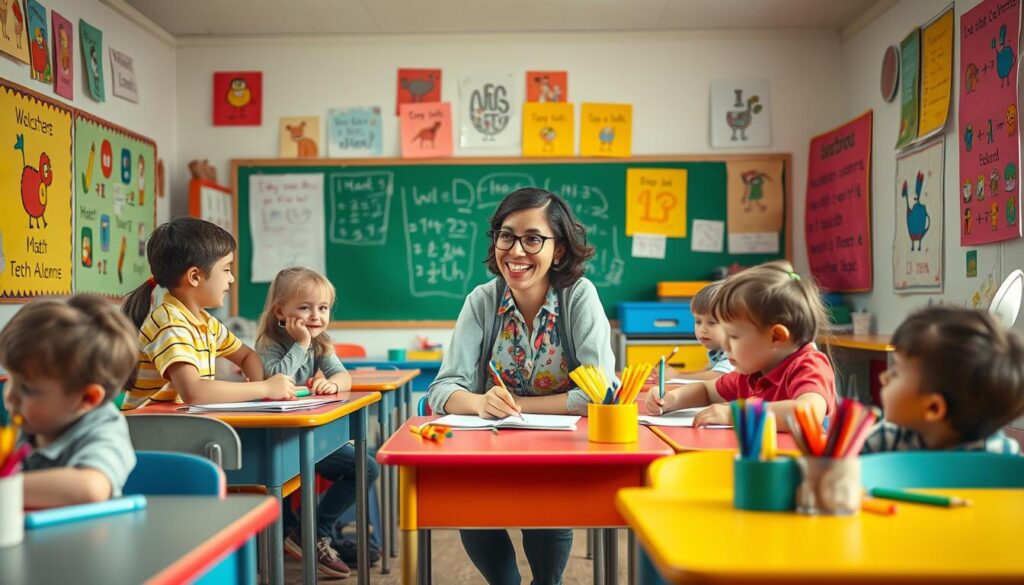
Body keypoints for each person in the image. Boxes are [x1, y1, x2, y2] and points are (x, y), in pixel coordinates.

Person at [427, 187, 614, 584]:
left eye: (533, 239)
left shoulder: (578, 298)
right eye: (506, 235)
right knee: (469, 505)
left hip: (560, 448)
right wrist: (479, 403)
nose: (516, 250)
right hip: (490, 444)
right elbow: (441, 391)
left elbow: (598, 394)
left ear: (558, 250)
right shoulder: (481, 301)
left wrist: (518, 406)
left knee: (548, 507)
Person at [257, 266, 381, 576]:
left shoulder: (321, 343)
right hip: (278, 440)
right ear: (280, 311)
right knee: (282, 482)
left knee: (366, 466)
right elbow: (276, 378)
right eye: (305, 307)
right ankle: (290, 533)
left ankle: (313, 532)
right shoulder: (269, 344)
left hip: (312, 437)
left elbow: (344, 376)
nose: (316, 316)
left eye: (323, 308)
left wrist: (333, 384)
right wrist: (299, 344)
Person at [121, 217, 293, 410]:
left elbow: (247, 357)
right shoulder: (169, 323)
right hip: (152, 432)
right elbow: (194, 392)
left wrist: (261, 392)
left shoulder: (206, 323)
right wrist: (264, 388)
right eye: (226, 269)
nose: (232, 278)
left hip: (178, 428)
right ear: (195, 276)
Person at [647, 260, 836, 429]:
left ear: (776, 336)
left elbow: (807, 414)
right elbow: (706, 391)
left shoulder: (808, 365)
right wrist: (672, 399)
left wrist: (735, 414)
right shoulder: (752, 371)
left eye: (734, 336)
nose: (725, 345)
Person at [0, 295, 139, 508]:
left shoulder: (104, 431)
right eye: (11, 379)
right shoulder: (29, 424)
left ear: (87, 398)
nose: (10, 396)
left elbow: (91, 487)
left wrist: (6, 489)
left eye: (27, 388)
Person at [861, 306, 1024, 454]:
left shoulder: (1001, 457)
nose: (883, 377)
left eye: (895, 372)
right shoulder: (888, 436)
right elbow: (840, 462)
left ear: (933, 408)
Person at [661, 281, 733, 382]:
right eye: (698, 322)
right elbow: (708, 370)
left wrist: (676, 377)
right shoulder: (717, 350)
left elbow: (719, 376)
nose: (702, 329)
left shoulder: (734, 351)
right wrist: (676, 373)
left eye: (712, 323)